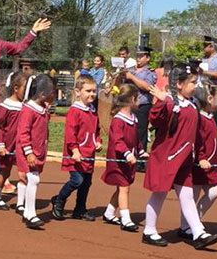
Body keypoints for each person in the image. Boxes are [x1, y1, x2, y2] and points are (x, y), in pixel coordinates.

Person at [142, 64, 217, 250]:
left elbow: (196, 134)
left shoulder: (192, 104)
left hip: (184, 159)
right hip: (166, 158)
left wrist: (198, 155)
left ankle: (198, 232)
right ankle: (149, 230)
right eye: (192, 82)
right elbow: (155, 120)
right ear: (178, 84)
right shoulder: (169, 101)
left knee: (186, 196)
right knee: (159, 194)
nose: (195, 85)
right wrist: (161, 102)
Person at [52, 74, 101, 221]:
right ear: (78, 92)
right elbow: (70, 133)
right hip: (76, 155)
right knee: (76, 180)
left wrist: (97, 141)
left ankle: (80, 209)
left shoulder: (93, 110)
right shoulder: (75, 110)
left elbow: (96, 130)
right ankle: (59, 201)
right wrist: (74, 150)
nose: (92, 94)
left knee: (86, 183)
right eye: (88, 91)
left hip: (89, 154)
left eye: (94, 91)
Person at [15, 74, 56, 230]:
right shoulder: (28, 110)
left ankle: (26, 210)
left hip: (38, 150)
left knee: (31, 179)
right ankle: (30, 213)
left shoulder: (42, 108)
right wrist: (28, 152)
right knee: (33, 180)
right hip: (28, 151)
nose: (54, 95)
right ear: (42, 94)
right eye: (52, 92)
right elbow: (23, 133)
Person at [180, 86, 217, 239]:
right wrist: (201, 157)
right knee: (194, 194)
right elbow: (197, 140)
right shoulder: (200, 118)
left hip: (211, 164)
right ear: (210, 99)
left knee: (214, 191)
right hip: (200, 164)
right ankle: (187, 226)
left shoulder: (209, 117)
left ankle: (192, 222)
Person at [101, 84, 141, 232]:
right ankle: (126, 219)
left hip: (128, 160)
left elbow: (136, 139)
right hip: (118, 160)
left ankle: (109, 212)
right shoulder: (118, 120)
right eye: (138, 98)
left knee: (121, 188)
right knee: (124, 187)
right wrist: (128, 154)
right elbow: (118, 141)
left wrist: (141, 151)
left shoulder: (133, 119)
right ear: (132, 99)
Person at [0, 72, 28, 210]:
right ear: (16, 88)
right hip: (7, 145)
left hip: (21, 145)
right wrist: (0, 145)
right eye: (25, 87)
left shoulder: (25, 105)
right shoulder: (6, 106)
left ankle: (20, 203)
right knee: (5, 172)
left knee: (23, 173)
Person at [200, 35, 217, 119]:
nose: (203, 48)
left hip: (213, 88)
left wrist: (204, 72)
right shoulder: (202, 59)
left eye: (205, 46)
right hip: (201, 88)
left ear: (212, 47)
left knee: (212, 114)